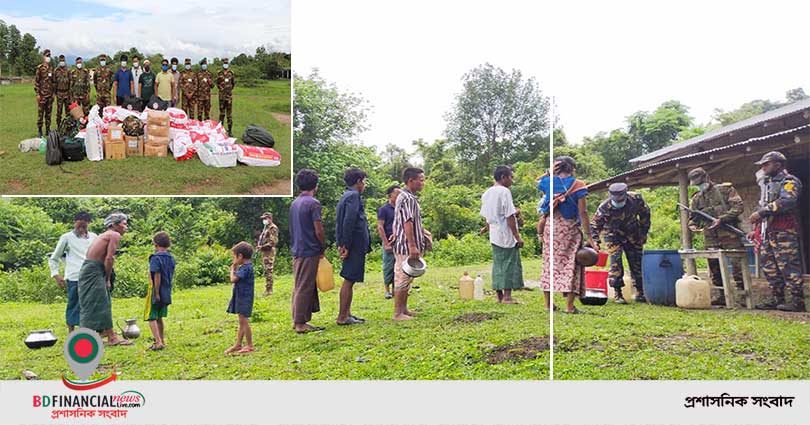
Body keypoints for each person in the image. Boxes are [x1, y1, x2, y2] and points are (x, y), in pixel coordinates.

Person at [749, 151, 806, 312]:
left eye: (766, 164)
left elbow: (787, 201)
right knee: (770, 268)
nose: (763, 167)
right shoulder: (768, 184)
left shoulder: (790, 181)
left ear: (778, 164)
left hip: (784, 233)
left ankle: (797, 302)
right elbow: (763, 206)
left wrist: (761, 212)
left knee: (788, 267)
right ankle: (777, 299)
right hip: (769, 232)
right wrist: (757, 229)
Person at [538, 157, 595, 313]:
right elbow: (583, 212)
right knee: (571, 264)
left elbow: (539, 184)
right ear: (573, 169)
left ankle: (548, 304)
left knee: (549, 263)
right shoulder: (578, 185)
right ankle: (569, 306)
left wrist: (549, 174)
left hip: (551, 227)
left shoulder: (548, 182)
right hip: (569, 228)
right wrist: (589, 236)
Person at [687, 167, 746, 306]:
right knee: (714, 267)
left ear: (706, 178)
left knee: (737, 265)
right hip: (710, 237)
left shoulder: (725, 190)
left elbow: (738, 207)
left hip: (729, 234)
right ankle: (721, 295)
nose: (699, 186)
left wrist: (723, 219)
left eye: (700, 182)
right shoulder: (696, 198)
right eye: (696, 184)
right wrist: (692, 226)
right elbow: (693, 218)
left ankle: (743, 295)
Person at [591, 182, 651, 304]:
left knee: (637, 262)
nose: (619, 202)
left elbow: (645, 214)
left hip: (633, 233)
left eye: (621, 200)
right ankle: (618, 293)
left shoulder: (636, 199)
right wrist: (595, 242)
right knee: (616, 262)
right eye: (616, 200)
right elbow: (594, 226)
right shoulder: (604, 207)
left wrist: (643, 233)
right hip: (613, 235)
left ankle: (640, 292)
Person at [78, 212, 132, 346]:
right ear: (114, 225)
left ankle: (104, 332)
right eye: (124, 224)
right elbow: (109, 258)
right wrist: (107, 278)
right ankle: (111, 337)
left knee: (100, 300)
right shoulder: (114, 234)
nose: (126, 227)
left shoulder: (105, 235)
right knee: (100, 301)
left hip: (91, 269)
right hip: (93, 270)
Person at [480, 165, 525, 303]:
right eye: (511, 177)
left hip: (494, 234)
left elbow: (487, 216)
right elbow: (509, 216)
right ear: (503, 177)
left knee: (498, 264)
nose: (512, 180)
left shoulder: (487, 193)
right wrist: (517, 236)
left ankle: (499, 296)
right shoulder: (504, 192)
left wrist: (486, 228)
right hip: (506, 233)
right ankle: (507, 296)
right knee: (509, 263)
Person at [290, 169, 326, 333]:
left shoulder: (295, 203)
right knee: (305, 286)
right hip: (309, 249)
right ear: (316, 185)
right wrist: (322, 246)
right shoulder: (313, 203)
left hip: (297, 248)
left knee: (300, 285)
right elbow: (318, 229)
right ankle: (300, 323)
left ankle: (299, 319)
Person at [49, 212, 97, 333]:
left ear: (88, 224)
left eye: (84, 225)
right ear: (74, 223)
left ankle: (88, 330)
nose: (81, 228)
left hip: (91, 276)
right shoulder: (67, 237)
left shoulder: (94, 237)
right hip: (74, 276)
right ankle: (71, 332)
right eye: (79, 225)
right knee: (74, 304)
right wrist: (56, 275)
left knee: (90, 305)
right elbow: (54, 258)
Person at [392, 167, 430, 321]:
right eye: (420, 180)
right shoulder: (407, 198)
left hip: (405, 242)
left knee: (408, 277)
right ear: (410, 181)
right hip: (405, 245)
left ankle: (404, 309)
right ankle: (398, 313)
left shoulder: (407, 197)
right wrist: (412, 245)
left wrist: (424, 233)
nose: (423, 183)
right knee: (402, 276)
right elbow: (408, 222)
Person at [335, 168, 372, 325]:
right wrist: (346, 245)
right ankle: (343, 316)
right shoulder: (353, 196)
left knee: (349, 278)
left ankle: (347, 313)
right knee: (349, 279)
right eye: (364, 181)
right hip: (354, 245)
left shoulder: (346, 195)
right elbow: (348, 222)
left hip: (351, 244)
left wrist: (341, 243)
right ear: (358, 181)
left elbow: (341, 222)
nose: (364, 185)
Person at [145, 231, 175, 351]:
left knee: (151, 317)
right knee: (159, 317)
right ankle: (162, 339)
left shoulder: (155, 258)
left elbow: (157, 275)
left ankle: (157, 341)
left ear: (156, 244)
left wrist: (156, 292)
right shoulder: (171, 258)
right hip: (166, 290)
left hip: (156, 291)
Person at [225, 242, 256, 354]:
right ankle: (238, 344)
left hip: (244, 298)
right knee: (242, 321)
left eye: (234, 256)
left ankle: (249, 345)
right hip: (242, 296)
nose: (233, 259)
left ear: (240, 256)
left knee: (244, 321)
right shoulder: (247, 267)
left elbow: (233, 279)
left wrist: (232, 268)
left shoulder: (245, 268)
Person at [377, 185, 401, 299]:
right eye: (397, 193)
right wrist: (386, 243)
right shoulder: (384, 209)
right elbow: (380, 227)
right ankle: (387, 290)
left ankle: (396, 289)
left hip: (400, 240)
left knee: (399, 265)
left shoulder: (400, 208)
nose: (399, 196)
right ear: (390, 195)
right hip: (389, 241)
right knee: (388, 265)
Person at [257, 212, 279, 296]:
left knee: (268, 270)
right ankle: (267, 289)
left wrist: (262, 247)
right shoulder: (265, 228)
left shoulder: (273, 228)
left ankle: (269, 290)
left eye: (265, 218)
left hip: (269, 252)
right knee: (266, 270)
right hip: (265, 252)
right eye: (263, 219)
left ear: (270, 218)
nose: (264, 220)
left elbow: (273, 242)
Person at [34, 49, 54, 137]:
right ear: (43, 56)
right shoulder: (40, 68)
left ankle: (48, 129)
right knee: (40, 114)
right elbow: (36, 81)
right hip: (42, 95)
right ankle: (39, 130)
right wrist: (37, 94)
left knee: (48, 114)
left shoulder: (51, 69)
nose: (48, 57)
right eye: (47, 56)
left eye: (49, 56)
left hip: (50, 95)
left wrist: (53, 94)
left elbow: (53, 82)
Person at [217, 57, 236, 135]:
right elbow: (217, 83)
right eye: (224, 63)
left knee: (229, 114)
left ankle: (230, 130)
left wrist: (228, 90)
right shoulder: (219, 73)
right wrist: (222, 89)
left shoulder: (231, 73)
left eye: (227, 63)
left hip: (228, 97)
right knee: (221, 114)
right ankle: (220, 129)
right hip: (221, 97)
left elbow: (233, 84)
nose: (225, 64)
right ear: (223, 64)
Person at [53, 54, 72, 125]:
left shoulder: (68, 70)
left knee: (68, 111)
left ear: (65, 61)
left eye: (63, 60)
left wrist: (70, 94)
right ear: (59, 61)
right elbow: (54, 83)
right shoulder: (56, 71)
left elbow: (70, 82)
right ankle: (58, 126)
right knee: (59, 111)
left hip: (67, 93)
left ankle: (68, 126)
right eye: (61, 61)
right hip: (59, 93)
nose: (62, 62)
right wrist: (54, 94)